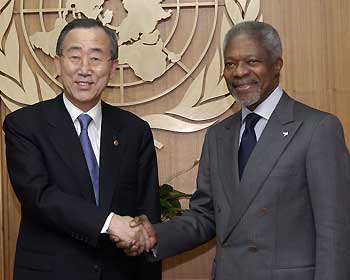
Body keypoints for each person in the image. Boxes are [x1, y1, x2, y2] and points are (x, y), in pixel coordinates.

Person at [122, 21, 350, 279]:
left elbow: (335, 233)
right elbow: (206, 216)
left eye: (252, 61)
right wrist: (154, 235)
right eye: (230, 64)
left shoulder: (317, 129)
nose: (239, 72)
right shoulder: (219, 136)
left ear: (277, 65)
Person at [3, 18, 161, 280]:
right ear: (57, 63)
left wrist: (141, 240)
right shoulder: (24, 125)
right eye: (75, 57)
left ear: (112, 68)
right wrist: (110, 223)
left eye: (96, 59)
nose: (84, 69)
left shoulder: (135, 131)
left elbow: (147, 214)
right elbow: (39, 196)